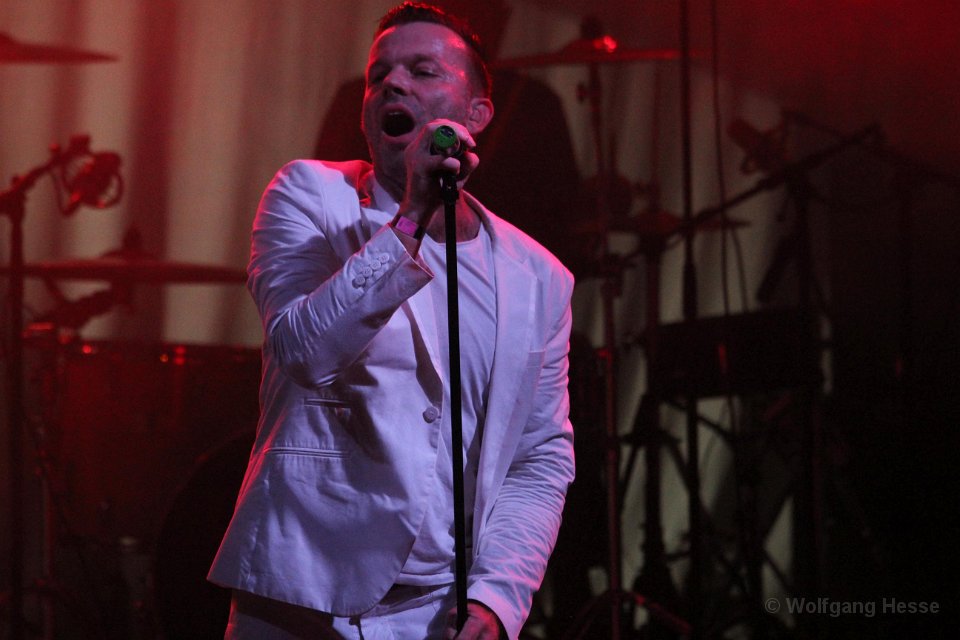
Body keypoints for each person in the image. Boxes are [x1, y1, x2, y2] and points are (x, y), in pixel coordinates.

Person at [207, 3, 576, 639]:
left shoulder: (538, 277)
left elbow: (538, 455)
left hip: (439, 613)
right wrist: (409, 221)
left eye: (422, 71)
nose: (392, 85)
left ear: (476, 115)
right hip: (300, 600)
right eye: (379, 76)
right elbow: (303, 350)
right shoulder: (309, 196)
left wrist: (498, 597)